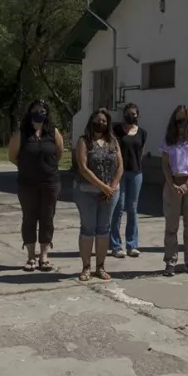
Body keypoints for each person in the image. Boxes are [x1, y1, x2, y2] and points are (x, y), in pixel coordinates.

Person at [8, 99, 65, 272]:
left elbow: (59, 153)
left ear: (47, 113)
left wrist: (47, 167)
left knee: (47, 219)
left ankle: (44, 257)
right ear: (30, 111)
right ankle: (31, 257)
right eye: (36, 109)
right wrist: (26, 167)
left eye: (42, 110)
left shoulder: (53, 132)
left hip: (50, 182)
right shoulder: (22, 133)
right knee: (29, 218)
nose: (39, 112)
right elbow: (12, 156)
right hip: (27, 184)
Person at [74, 108, 123, 282]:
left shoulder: (113, 141)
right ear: (91, 121)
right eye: (98, 120)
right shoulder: (84, 141)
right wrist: (103, 187)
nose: (100, 123)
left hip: (109, 194)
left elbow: (120, 167)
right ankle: (86, 267)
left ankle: (100, 267)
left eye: (104, 121)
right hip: (86, 192)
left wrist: (112, 187)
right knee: (88, 229)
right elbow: (83, 168)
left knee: (104, 229)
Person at [159, 105, 188, 277]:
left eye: (184, 121)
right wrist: (172, 184)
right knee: (171, 225)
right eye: (178, 120)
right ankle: (170, 262)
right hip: (173, 182)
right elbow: (165, 165)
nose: (180, 124)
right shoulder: (168, 139)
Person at [110, 103, 147, 258]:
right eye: (128, 113)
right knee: (119, 208)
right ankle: (116, 245)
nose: (130, 115)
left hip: (136, 173)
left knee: (132, 209)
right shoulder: (116, 130)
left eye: (133, 113)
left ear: (137, 115)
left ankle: (132, 244)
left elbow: (141, 151)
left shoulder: (142, 133)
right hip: (120, 173)